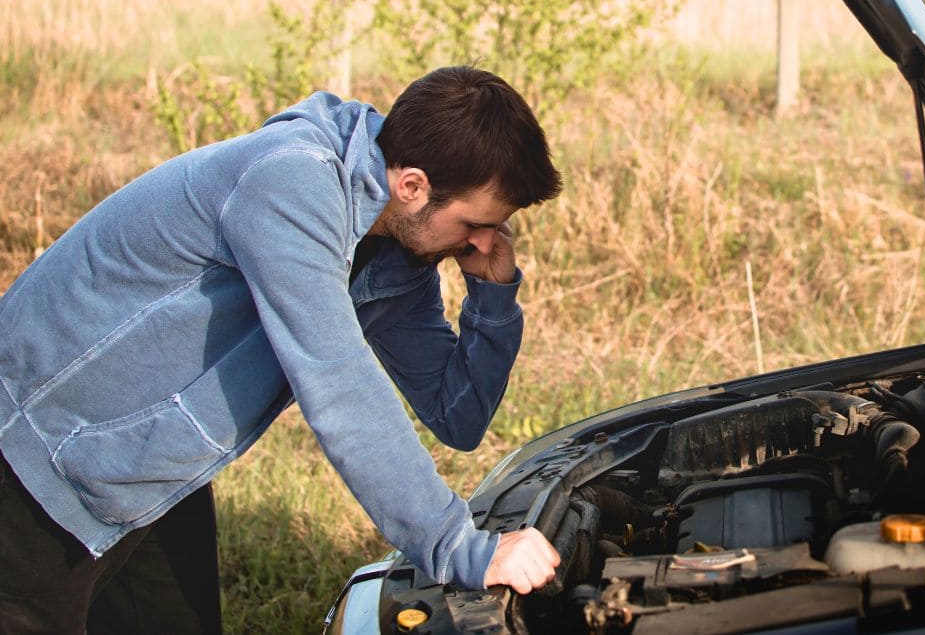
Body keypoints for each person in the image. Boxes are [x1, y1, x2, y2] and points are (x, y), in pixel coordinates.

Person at [0, 66, 562, 633]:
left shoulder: (394, 250)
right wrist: (460, 546)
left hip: (143, 464)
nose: (485, 240)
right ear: (412, 186)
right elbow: (339, 386)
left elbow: (457, 415)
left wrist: (492, 298)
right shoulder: (291, 182)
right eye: (475, 222)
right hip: (38, 457)